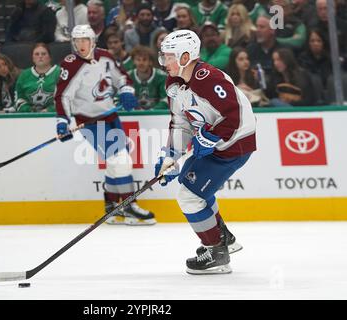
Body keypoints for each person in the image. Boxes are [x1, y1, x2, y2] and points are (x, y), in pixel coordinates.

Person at [155, 29, 256, 274]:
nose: (164, 62)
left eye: (168, 56)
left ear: (185, 56)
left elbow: (235, 116)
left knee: (189, 195)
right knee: (194, 186)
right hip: (214, 143)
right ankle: (223, 238)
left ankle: (216, 252)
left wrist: (210, 136)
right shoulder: (174, 84)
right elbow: (180, 123)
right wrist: (171, 157)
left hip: (233, 145)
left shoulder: (209, 78)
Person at [54, 24, 156, 225]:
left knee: (116, 160)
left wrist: (127, 90)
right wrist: (63, 122)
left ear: (93, 41)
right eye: (77, 41)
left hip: (110, 116)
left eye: (85, 40)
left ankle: (111, 207)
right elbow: (62, 96)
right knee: (121, 159)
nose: (81, 45)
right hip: (89, 121)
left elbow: (122, 78)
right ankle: (127, 206)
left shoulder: (105, 57)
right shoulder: (71, 64)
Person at [15, 43, 61, 112]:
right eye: (37, 54)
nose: (40, 56)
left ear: (50, 57)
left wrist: (49, 110)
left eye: (43, 54)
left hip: (55, 117)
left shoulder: (61, 73)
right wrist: (30, 110)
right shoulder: (24, 75)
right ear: (33, 58)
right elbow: (19, 100)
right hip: (29, 118)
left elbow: (66, 99)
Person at [128, 45, 168, 110]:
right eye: (138, 60)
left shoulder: (162, 76)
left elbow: (166, 99)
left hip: (156, 115)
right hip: (134, 115)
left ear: (150, 62)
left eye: (144, 60)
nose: (141, 63)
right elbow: (119, 98)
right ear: (133, 61)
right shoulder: (128, 76)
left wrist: (151, 112)